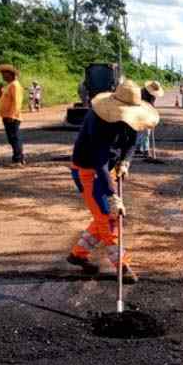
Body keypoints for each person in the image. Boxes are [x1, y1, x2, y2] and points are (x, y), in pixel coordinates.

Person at [67, 80, 159, 283]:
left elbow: (132, 143)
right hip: (88, 170)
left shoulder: (131, 119)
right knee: (109, 218)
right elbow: (98, 162)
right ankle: (122, 266)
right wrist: (112, 195)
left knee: (105, 217)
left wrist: (125, 162)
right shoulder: (98, 121)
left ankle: (78, 254)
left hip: (110, 168)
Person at [0, 64, 25, 166]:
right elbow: (5, 100)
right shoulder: (10, 85)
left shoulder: (15, 85)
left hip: (12, 117)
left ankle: (18, 160)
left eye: (5, 73)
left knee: (14, 137)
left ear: (11, 74)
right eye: (2, 74)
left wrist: (13, 115)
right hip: (7, 116)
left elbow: (17, 102)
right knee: (12, 138)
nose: (3, 76)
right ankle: (18, 158)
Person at [136, 80, 164, 157]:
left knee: (143, 131)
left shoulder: (152, 95)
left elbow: (152, 105)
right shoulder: (142, 93)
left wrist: (153, 115)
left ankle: (139, 148)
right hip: (141, 111)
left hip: (146, 112)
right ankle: (145, 150)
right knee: (144, 131)